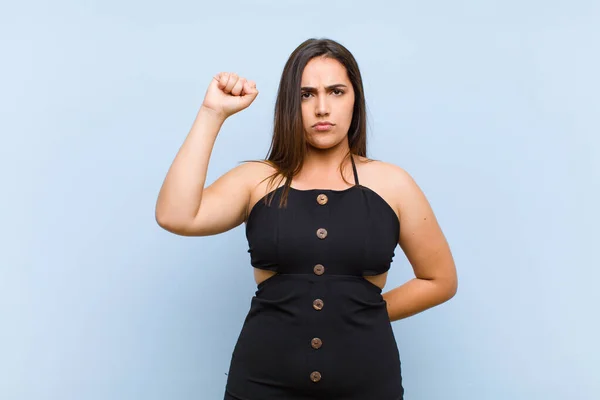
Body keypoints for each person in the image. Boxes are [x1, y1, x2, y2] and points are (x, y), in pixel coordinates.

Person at [155, 38, 458, 400]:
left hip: (366, 383)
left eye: (336, 91)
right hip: (261, 384)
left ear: (355, 100)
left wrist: (357, 311)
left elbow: (440, 280)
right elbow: (175, 215)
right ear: (289, 103)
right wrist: (211, 113)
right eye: (306, 94)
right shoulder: (258, 180)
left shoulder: (393, 183)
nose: (322, 108)